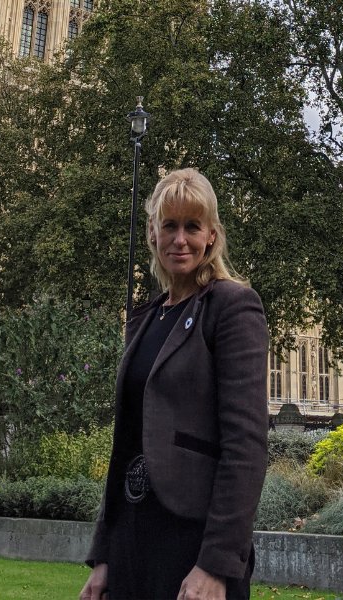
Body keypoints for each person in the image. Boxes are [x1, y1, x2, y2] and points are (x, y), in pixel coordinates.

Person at [79, 168, 269, 600]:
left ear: (211, 238)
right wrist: (104, 555)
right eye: (169, 226)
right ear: (152, 234)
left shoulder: (232, 306)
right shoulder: (145, 319)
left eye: (192, 227)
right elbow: (125, 444)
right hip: (133, 537)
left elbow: (246, 446)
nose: (179, 239)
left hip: (193, 541)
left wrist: (216, 565)